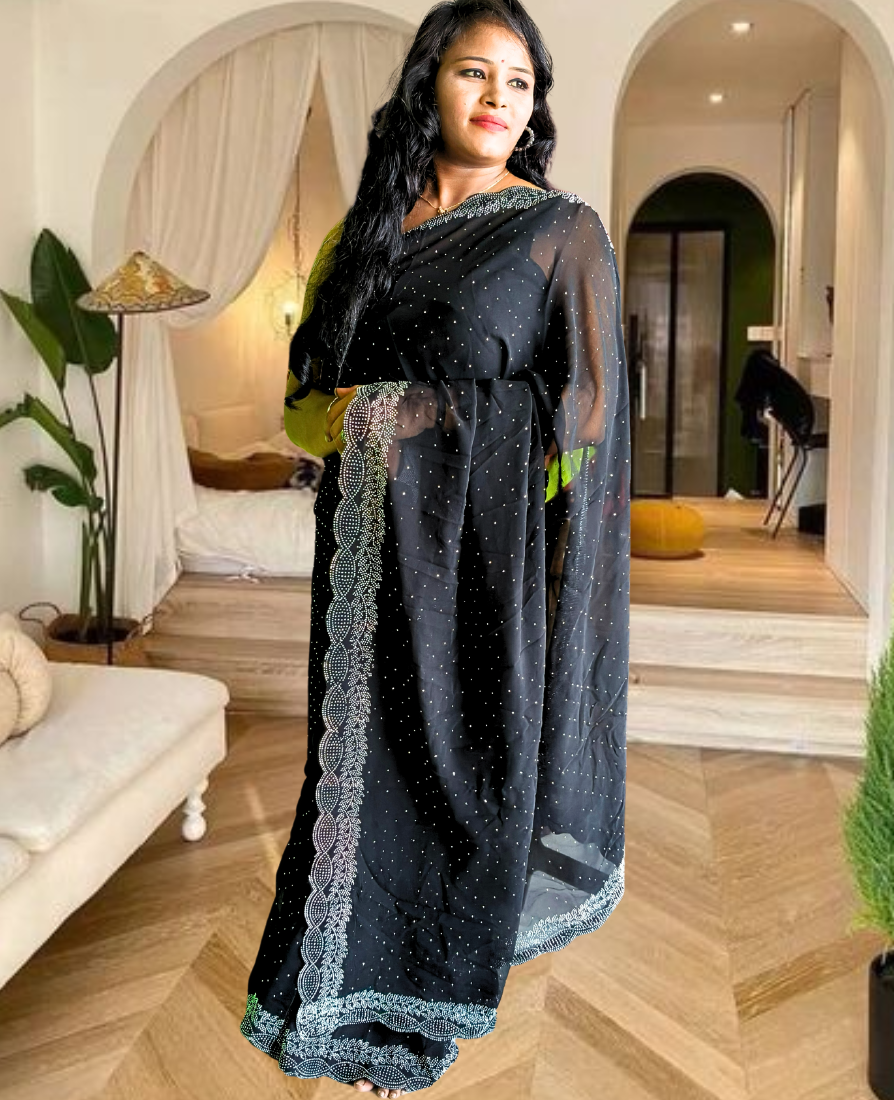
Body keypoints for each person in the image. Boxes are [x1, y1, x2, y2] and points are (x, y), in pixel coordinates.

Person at [240, 2, 630, 1096]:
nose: (500, 98)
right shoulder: (361, 233)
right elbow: (303, 400)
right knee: (353, 776)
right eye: (475, 73)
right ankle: (335, 1006)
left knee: (457, 781)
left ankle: (415, 1016)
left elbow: (588, 417)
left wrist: (428, 422)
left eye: (520, 81)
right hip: (364, 555)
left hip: (480, 564)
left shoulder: (559, 234)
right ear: (429, 86)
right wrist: (363, 423)